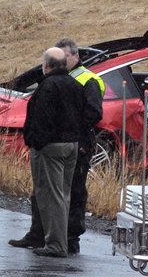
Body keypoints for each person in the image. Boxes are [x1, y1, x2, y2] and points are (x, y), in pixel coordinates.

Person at [11, 47, 83, 258]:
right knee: (64, 195)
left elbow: (41, 119)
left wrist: (35, 143)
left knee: (50, 196)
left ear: (47, 66)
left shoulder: (47, 87)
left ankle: (55, 244)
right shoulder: (76, 85)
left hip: (50, 147)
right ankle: (53, 239)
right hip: (72, 146)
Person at [56, 38, 104, 254]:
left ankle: (72, 236)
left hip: (80, 142)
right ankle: (57, 233)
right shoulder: (62, 77)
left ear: (76, 56)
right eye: (60, 57)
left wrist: (76, 130)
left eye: (66, 56)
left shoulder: (88, 80)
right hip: (65, 141)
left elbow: (94, 113)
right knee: (60, 188)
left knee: (75, 189)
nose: (63, 60)